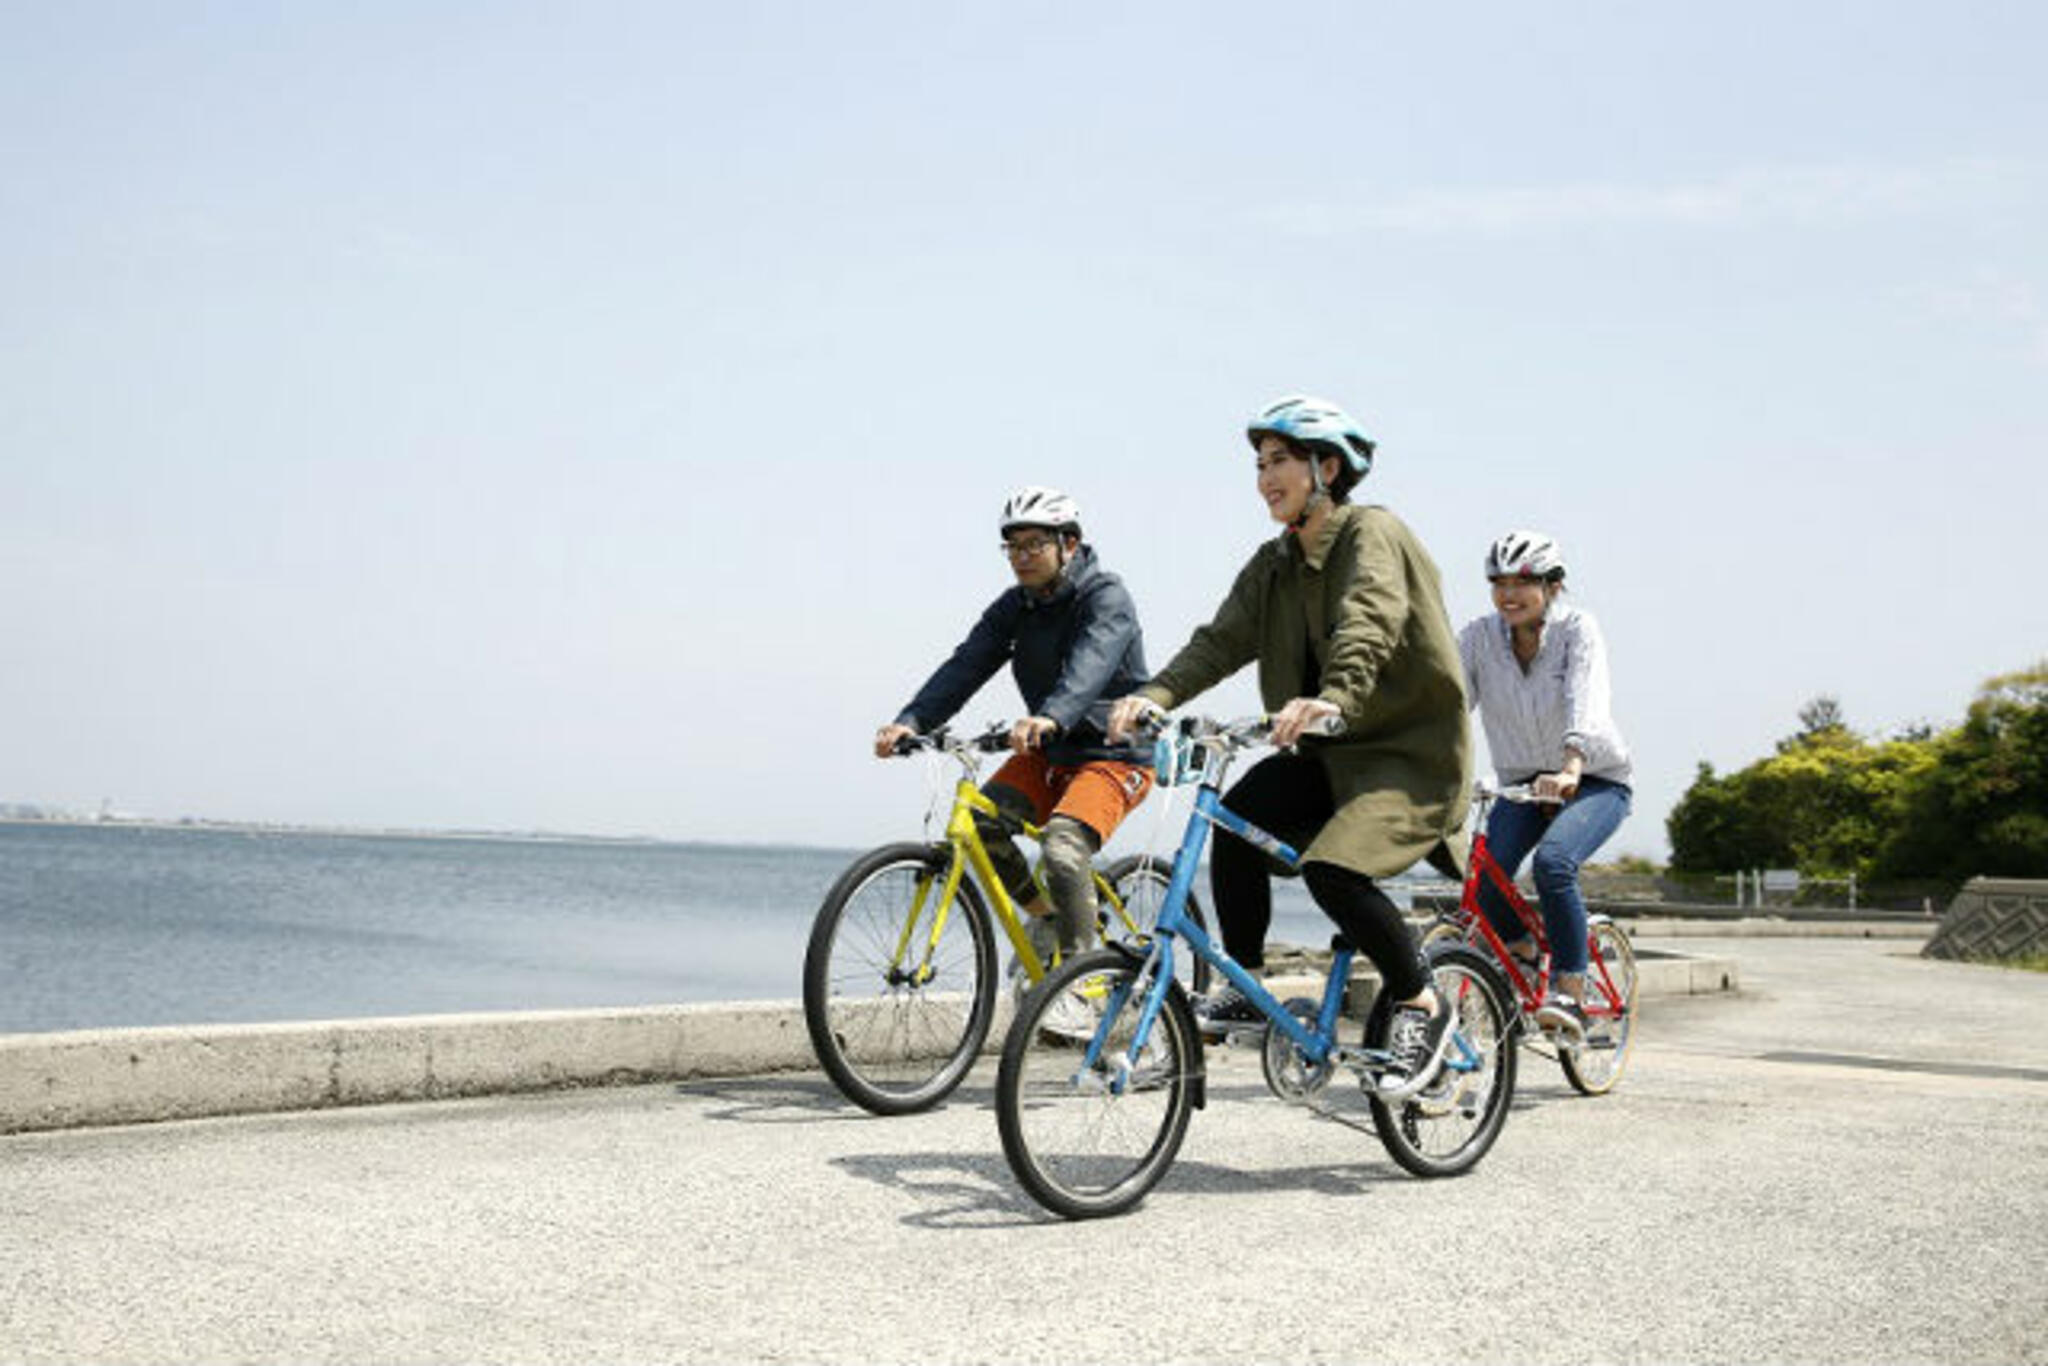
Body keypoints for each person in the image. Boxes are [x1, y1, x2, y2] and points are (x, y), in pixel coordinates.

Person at [1106, 396, 1471, 1098]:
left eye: (1281, 462)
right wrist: (1155, 697)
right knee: (1236, 828)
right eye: (1260, 464)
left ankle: (1423, 1003)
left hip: (1405, 759)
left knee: (1334, 871)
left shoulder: (1374, 533)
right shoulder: (1273, 565)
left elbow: (1372, 616)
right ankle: (1245, 981)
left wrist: (1334, 697)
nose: (1266, 477)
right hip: (1325, 760)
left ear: (1325, 467)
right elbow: (1220, 640)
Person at [875, 486, 1154, 988]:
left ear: (1069, 544)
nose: (1021, 558)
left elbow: (1091, 666)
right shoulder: (1015, 607)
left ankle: (1077, 981)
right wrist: (912, 720)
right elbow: (968, 663)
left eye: (1034, 545)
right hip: (1049, 751)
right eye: (1013, 546)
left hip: (1114, 755)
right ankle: (1046, 916)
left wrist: (1051, 715)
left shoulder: (1106, 597)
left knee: (1063, 847)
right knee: (981, 824)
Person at [1458, 530, 1633, 1038]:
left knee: (1554, 864)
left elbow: (1586, 698)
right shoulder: (1477, 637)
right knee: (1483, 873)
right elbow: (1451, 706)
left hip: (1595, 778)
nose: (1509, 594)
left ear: (1554, 586)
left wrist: (1572, 764)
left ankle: (1571, 991)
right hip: (1523, 783)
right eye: (1499, 582)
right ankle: (1522, 951)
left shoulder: (1579, 630)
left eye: (1524, 582)